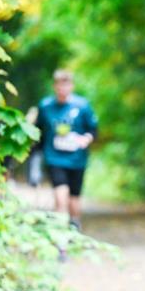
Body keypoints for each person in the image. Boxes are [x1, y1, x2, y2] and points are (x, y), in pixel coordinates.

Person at [36, 69, 98, 231]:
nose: (62, 89)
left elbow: (93, 130)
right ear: (54, 86)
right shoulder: (45, 106)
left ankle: (75, 227)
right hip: (54, 158)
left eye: (66, 85)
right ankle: (60, 235)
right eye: (59, 85)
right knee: (60, 197)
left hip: (77, 159)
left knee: (74, 199)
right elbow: (38, 130)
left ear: (72, 86)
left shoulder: (82, 106)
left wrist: (86, 139)